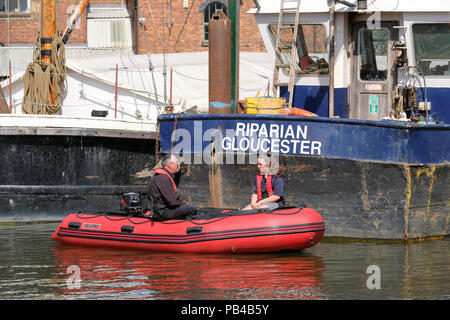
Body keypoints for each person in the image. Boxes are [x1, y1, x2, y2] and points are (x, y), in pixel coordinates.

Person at [148, 154, 197, 220]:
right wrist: (184, 204)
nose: (177, 164)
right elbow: (173, 202)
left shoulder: (159, 176)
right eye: (176, 162)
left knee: (187, 206)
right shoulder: (163, 178)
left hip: (161, 210)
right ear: (169, 165)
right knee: (192, 208)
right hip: (162, 212)